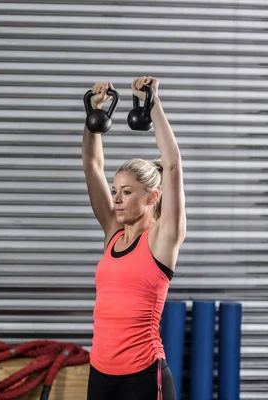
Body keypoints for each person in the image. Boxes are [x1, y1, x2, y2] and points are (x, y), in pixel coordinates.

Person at [81, 77, 186, 400]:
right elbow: (91, 164)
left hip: (142, 378)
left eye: (127, 193)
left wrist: (153, 106)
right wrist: (93, 117)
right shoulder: (113, 233)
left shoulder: (163, 239)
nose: (117, 199)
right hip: (99, 373)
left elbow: (172, 165)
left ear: (152, 198)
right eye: (115, 192)